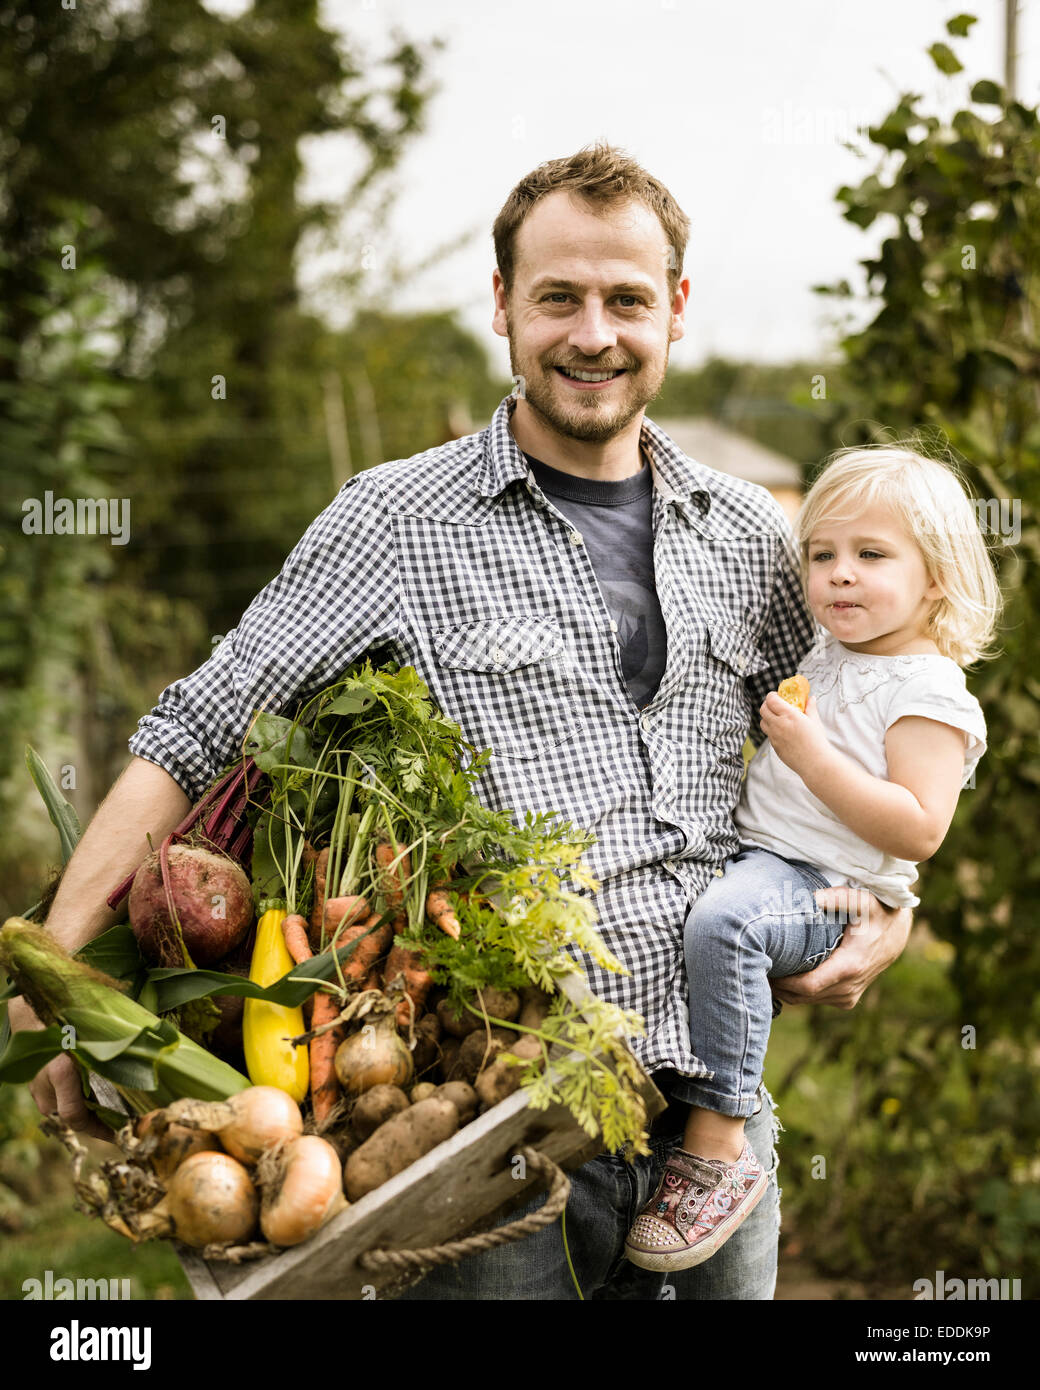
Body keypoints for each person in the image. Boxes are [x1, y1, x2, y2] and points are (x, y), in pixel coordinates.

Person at [8, 142, 914, 1299]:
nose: (593, 333)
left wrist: (888, 909)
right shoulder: (395, 519)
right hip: (489, 1132)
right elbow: (200, 726)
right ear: (502, 306)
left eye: (626, 299)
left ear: (675, 311)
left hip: (712, 1127)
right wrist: (62, 960)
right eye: (558, 299)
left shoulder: (748, 533)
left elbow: (869, 725)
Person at [624, 444, 1000, 1273]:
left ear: (935, 577)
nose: (839, 575)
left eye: (871, 556)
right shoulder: (836, 651)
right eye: (822, 555)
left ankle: (719, 1146)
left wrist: (809, 755)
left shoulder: (930, 692)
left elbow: (917, 830)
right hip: (773, 862)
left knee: (726, 924)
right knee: (717, 911)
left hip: (828, 888)